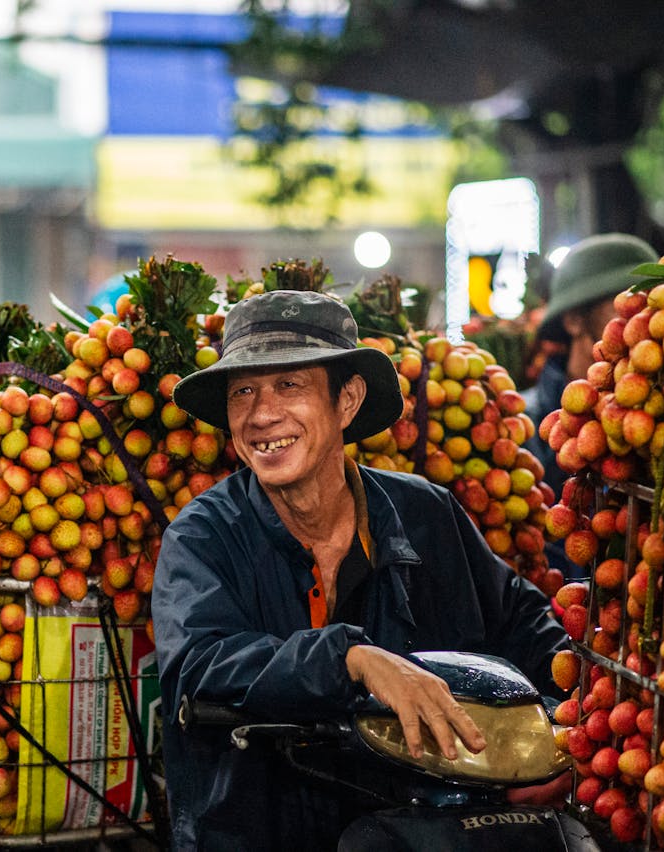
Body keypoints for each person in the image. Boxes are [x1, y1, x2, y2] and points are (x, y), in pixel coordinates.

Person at [151, 289, 569, 851]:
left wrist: (566, 728)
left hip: (426, 829)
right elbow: (200, 662)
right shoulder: (203, 537)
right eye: (243, 391)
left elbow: (523, 622)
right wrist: (351, 658)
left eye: (289, 385)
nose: (260, 413)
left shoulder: (424, 514)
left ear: (346, 402)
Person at [522, 233, 657, 521]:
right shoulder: (525, 428)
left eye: (653, 302)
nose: (645, 316)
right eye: (627, 302)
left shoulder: (660, 422)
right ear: (573, 321)